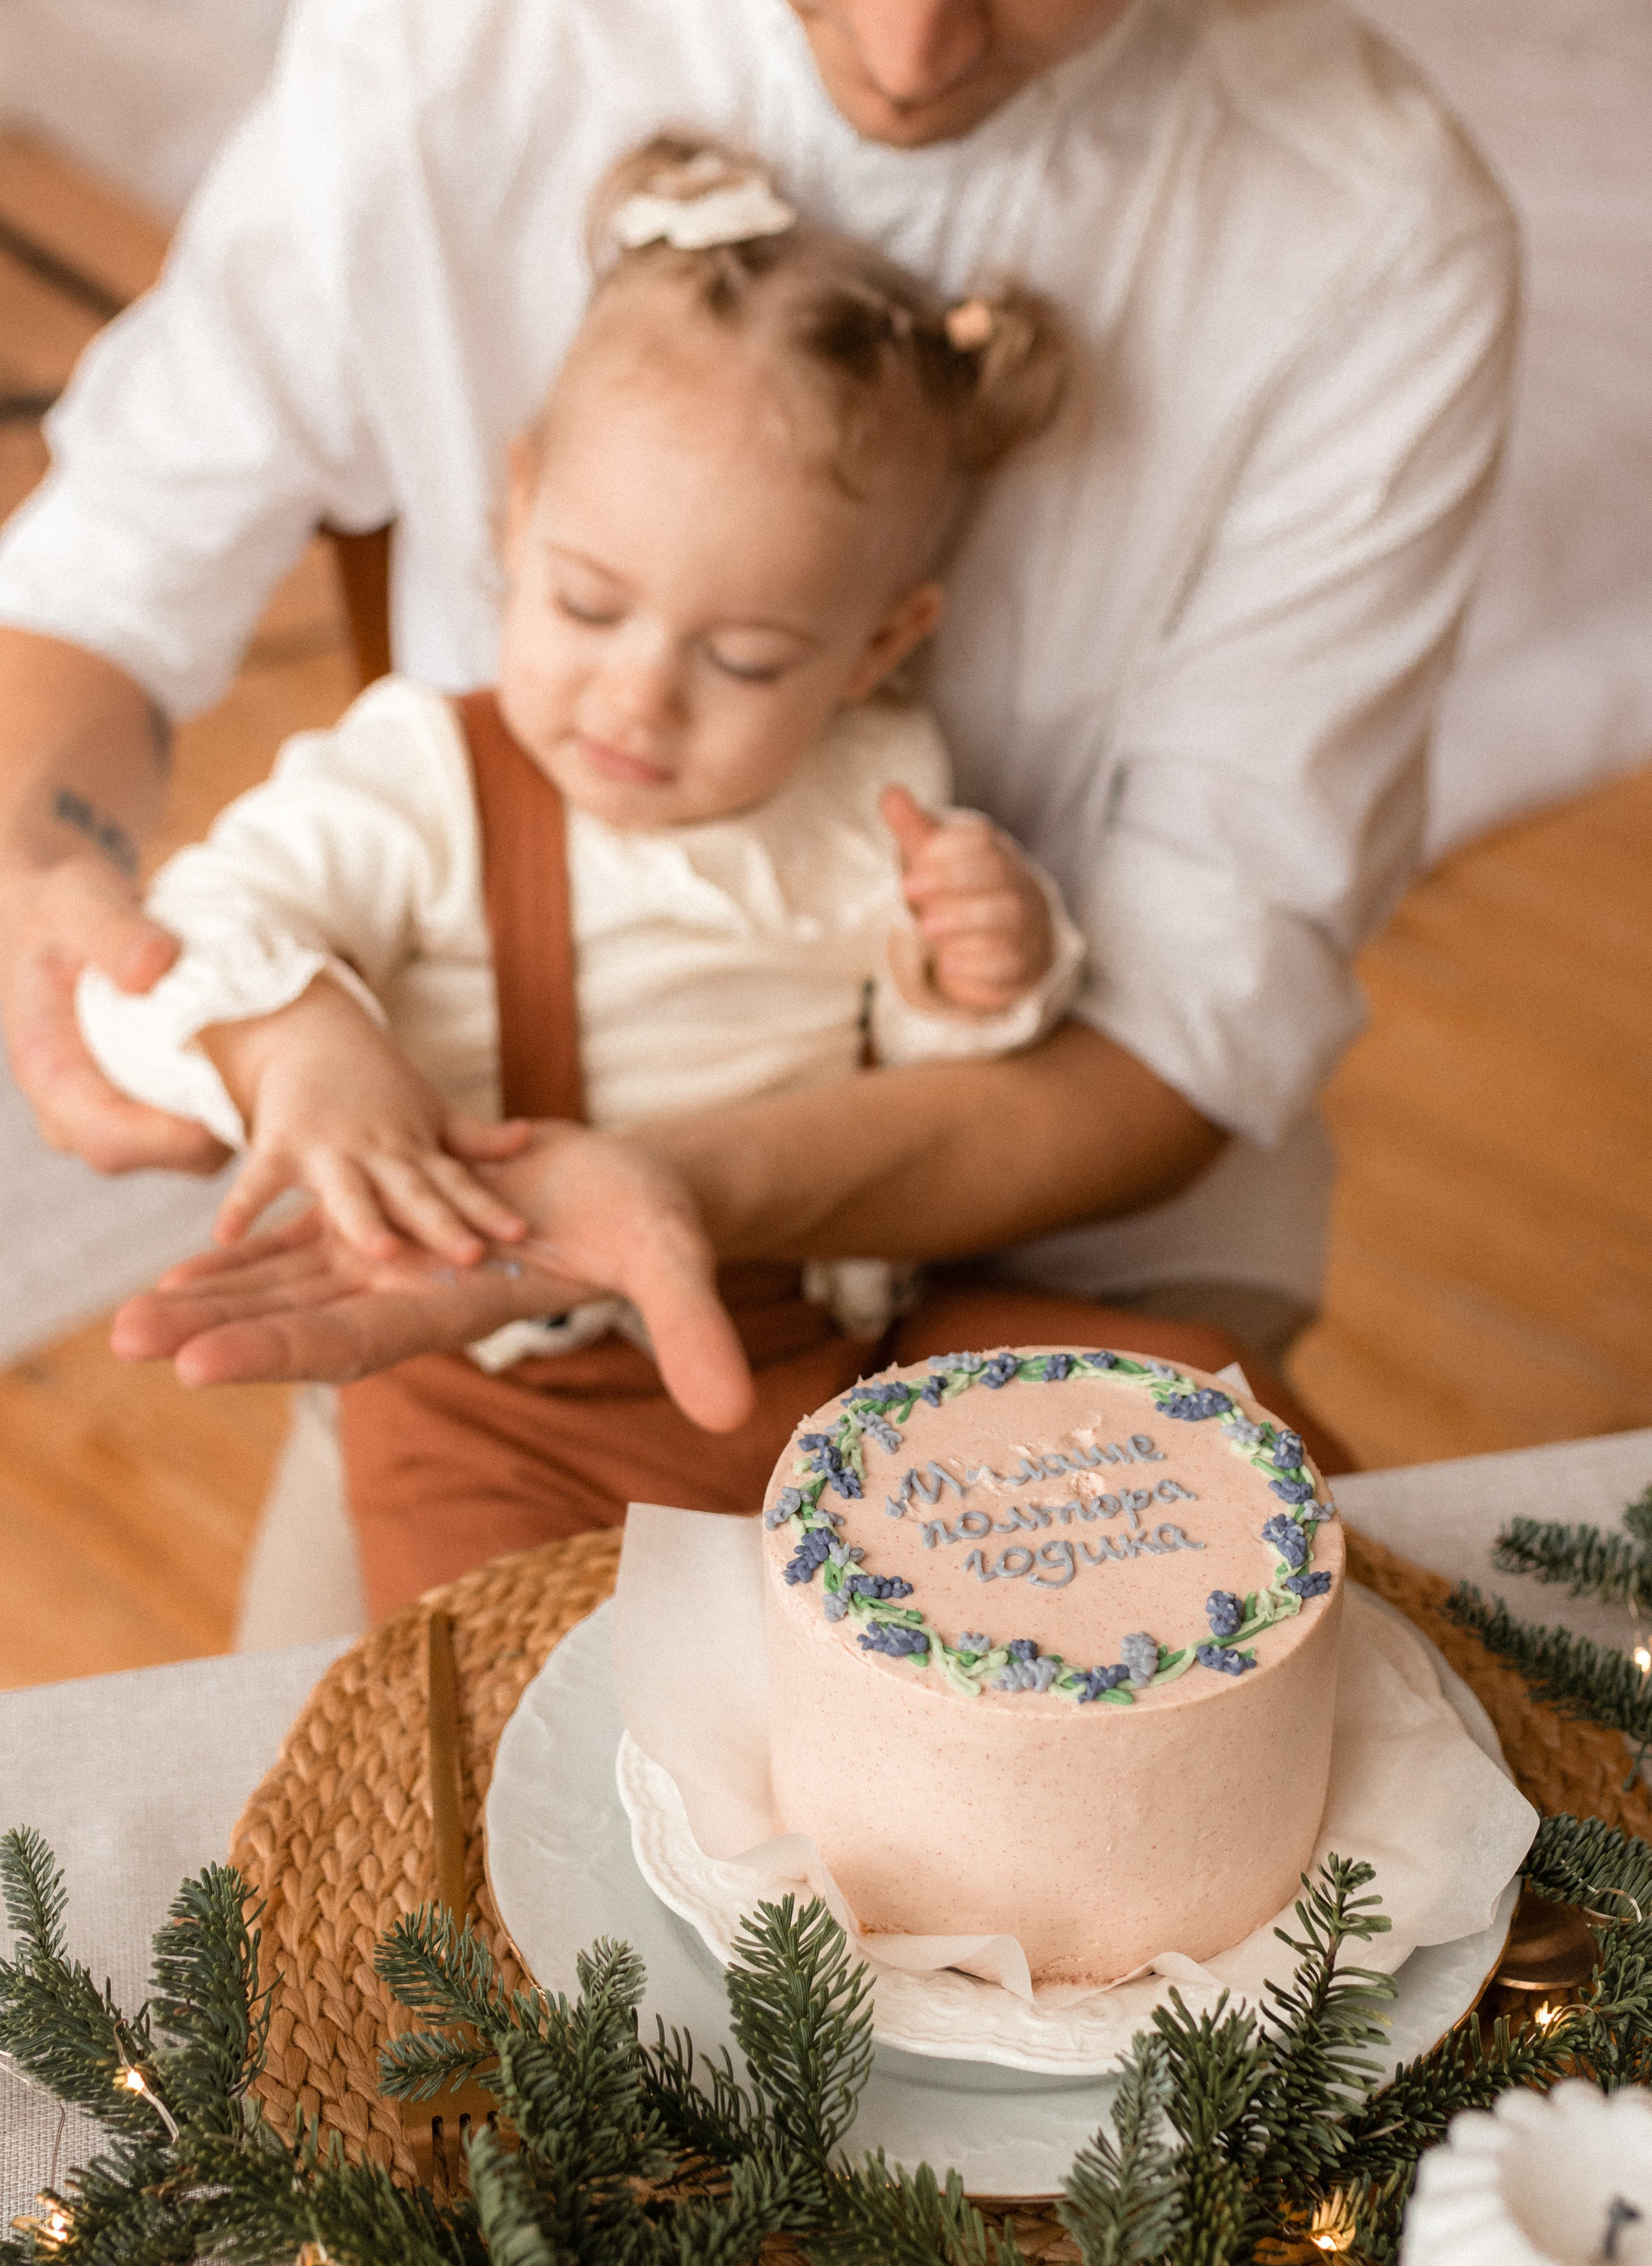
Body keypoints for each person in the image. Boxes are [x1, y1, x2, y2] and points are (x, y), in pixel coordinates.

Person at [0, 0, 1516, 1437]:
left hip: (1067, 1241)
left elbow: (1184, 1025)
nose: (911, 32)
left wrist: (682, 1174)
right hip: (468, 1266)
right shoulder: (441, 50)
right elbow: (99, 587)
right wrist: (48, 880)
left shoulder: (1374, 237)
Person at [76, 135, 1100, 1612]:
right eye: (585, 604)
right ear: (514, 517)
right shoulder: (426, 781)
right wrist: (295, 1040)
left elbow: (926, 1089)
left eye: (743, 658)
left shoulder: (876, 799)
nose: (637, 697)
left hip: (801, 1367)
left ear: (877, 645)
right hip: (481, 1389)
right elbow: (175, 946)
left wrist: (976, 974)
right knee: (476, 1712)